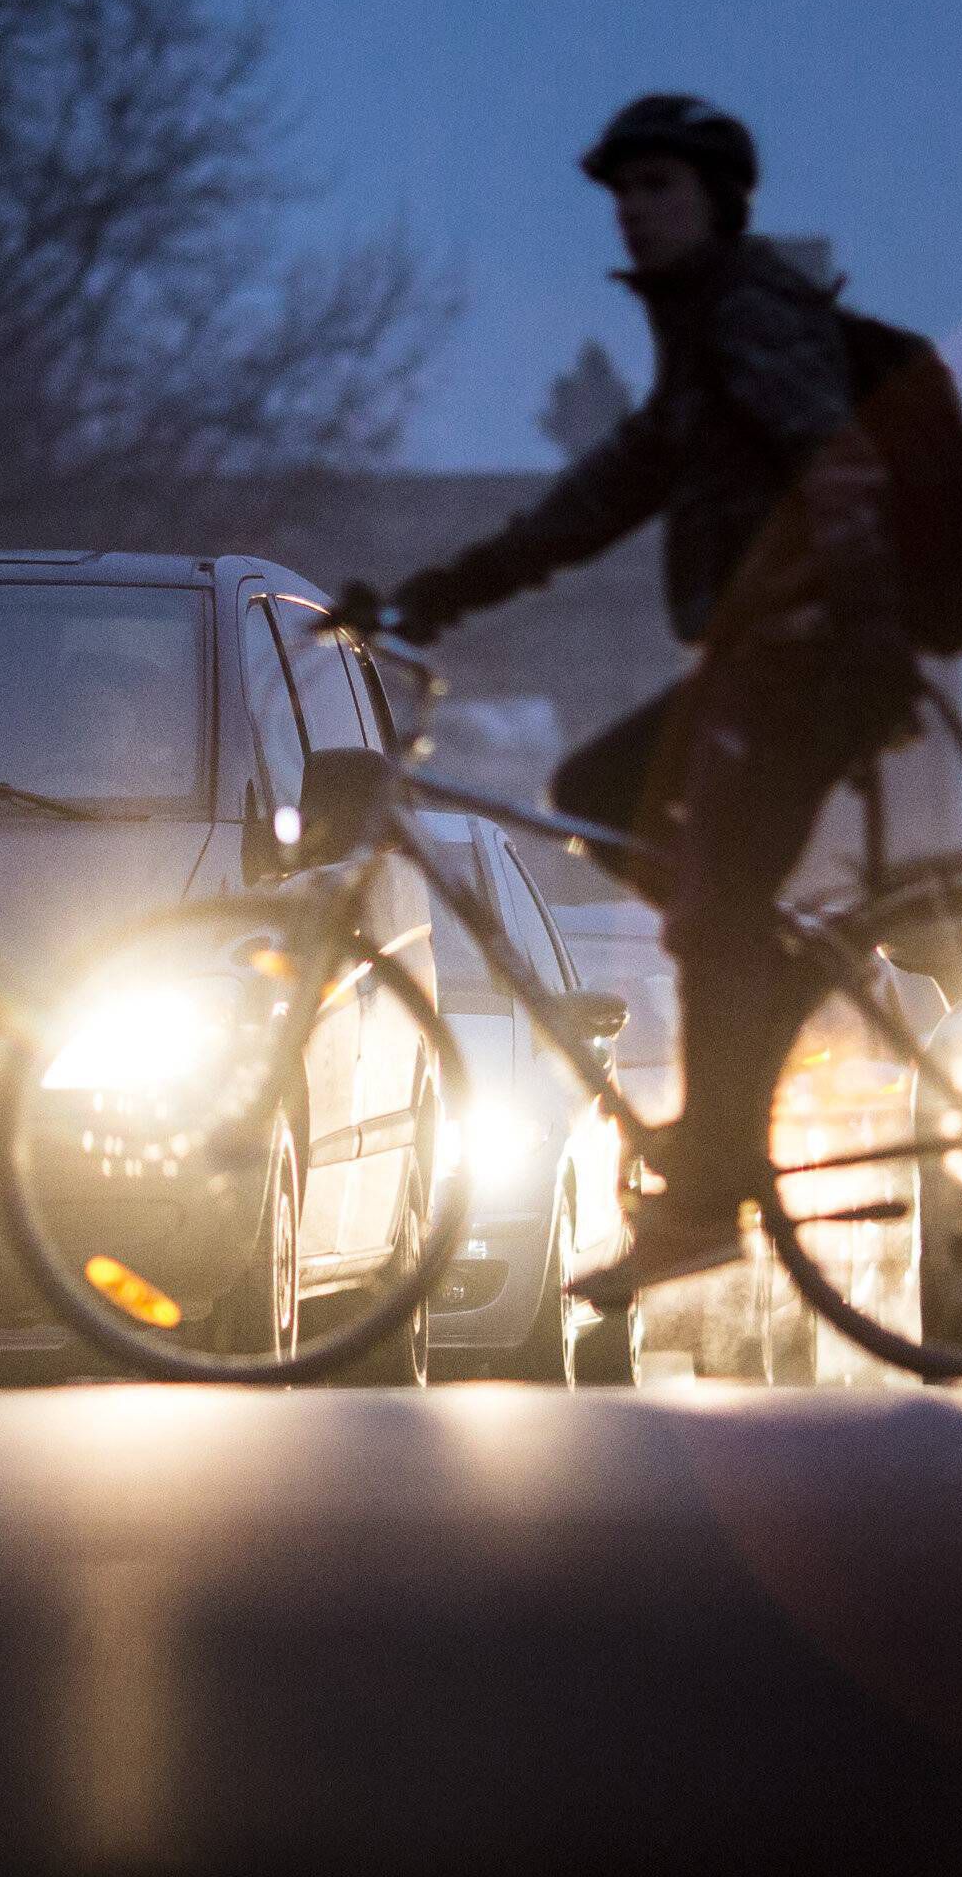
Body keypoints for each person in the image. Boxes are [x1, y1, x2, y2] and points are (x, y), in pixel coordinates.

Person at [335, 93, 921, 1301]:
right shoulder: (699, 347)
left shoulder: (751, 318)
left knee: (706, 909)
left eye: (660, 189)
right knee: (594, 790)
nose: (635, 212)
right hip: (758, 660)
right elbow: (594, 502)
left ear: (717, 203)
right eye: (623, 193)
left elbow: (843, 460)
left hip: (810, 661)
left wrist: (863, 632)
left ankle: (706, 1193)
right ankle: (762, 971)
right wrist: (434, 596)